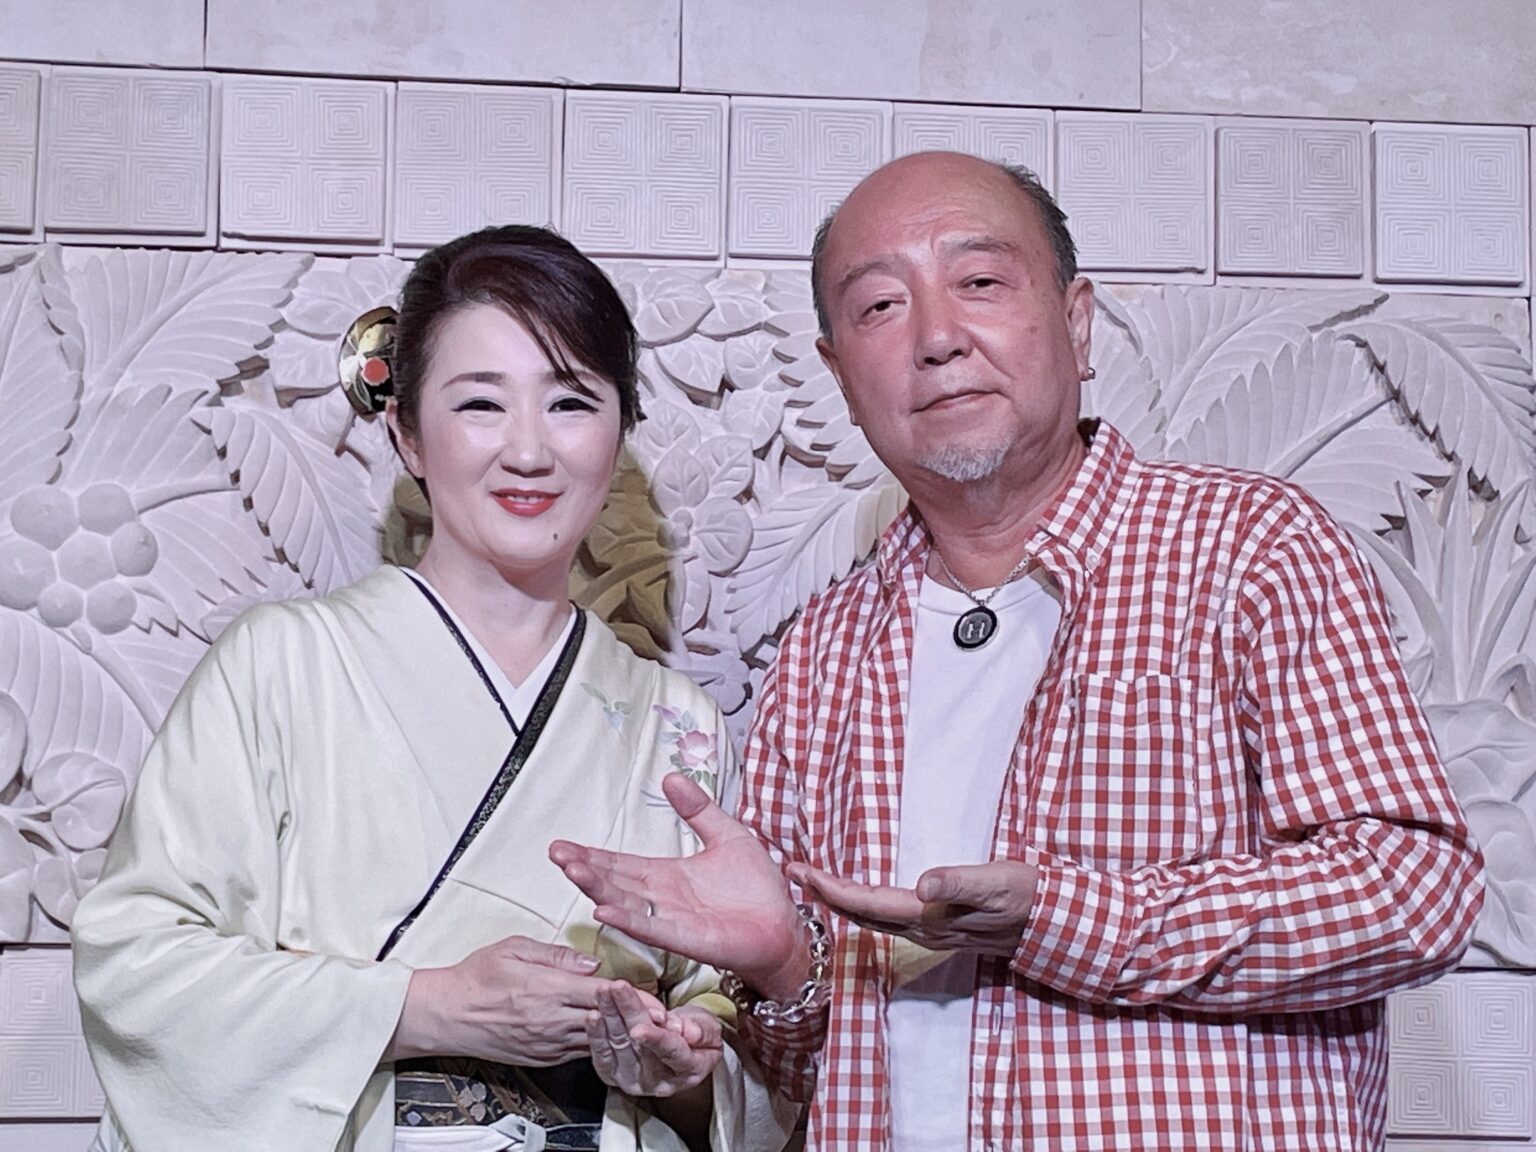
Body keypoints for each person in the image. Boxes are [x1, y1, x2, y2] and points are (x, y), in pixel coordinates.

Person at [550, 152, 1486, 1151]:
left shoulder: (1250, 550)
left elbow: (1414, 893)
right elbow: (809, 1070)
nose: (937, 338)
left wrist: (1061, 916)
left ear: (1077, 322)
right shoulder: (822, 653)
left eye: (981, 281)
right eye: (880, 307)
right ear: (841, 378)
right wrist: (782, 968)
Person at [71, 225, 796, 1152]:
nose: (529, 451)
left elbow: (726, 1050)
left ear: (618, 436)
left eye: (572, 402)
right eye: (481, 404)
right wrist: (425, 1007)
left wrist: (682, 1065)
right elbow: (137, 966)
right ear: (408, 434)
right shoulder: (282, 665)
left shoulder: (676, 723)